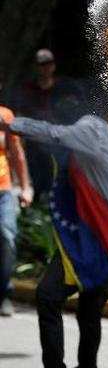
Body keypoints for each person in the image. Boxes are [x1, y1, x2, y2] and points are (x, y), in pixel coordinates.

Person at [0, 115, 108, 368]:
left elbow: (53, 133)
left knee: (59, 301)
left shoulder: (90, 134)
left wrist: (9, 124)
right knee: (80, 311)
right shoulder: (107, 142)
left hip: (99, 246)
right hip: (96, 242)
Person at [12, 49, 89, 197]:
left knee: (64, 175)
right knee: (37, 175)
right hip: (35, 142)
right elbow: (19, 114)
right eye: (41, 64)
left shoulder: (66, 87)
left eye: (48, 63)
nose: (45, 67)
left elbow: (79, 109)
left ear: (53, 65)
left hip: (61, 140)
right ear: (36, 67)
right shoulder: (28, 89)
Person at [0, 105, 33, 317]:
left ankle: (3, 293)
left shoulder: (5, 115)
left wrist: (25, 187)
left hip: (3, 190)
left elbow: (17, 152)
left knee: (6, 236)